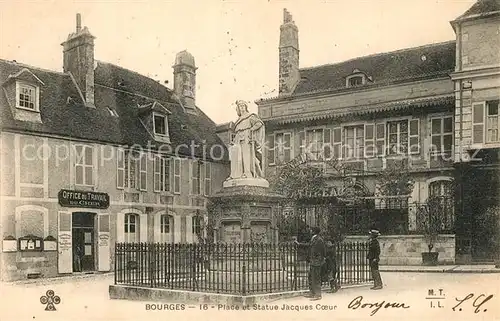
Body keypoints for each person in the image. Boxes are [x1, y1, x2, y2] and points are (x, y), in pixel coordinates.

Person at [229, 100, 265, 179]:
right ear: (238, 108)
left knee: (246, 156)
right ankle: (236, 174)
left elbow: (259, 123)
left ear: (246, 107)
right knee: (237, 156)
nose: (241, 108)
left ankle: (247, 173)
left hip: (246, 137)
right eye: (240, 106)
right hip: (238, 138)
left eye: (243, 106)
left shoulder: (250, 116)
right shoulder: (238, 120)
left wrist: (252, 129)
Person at [295, 226, 326, 300]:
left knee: (316, 278)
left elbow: (323, 251)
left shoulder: (319, 240)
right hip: (313, 261)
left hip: (317, 262)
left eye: (312, 230)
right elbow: (309, 245)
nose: (310, 231)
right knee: (311, 277)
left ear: (314, 231)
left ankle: (318, 295)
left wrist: (319, 260)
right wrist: (299, 244)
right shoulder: (314, 239)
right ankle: (312, 293)